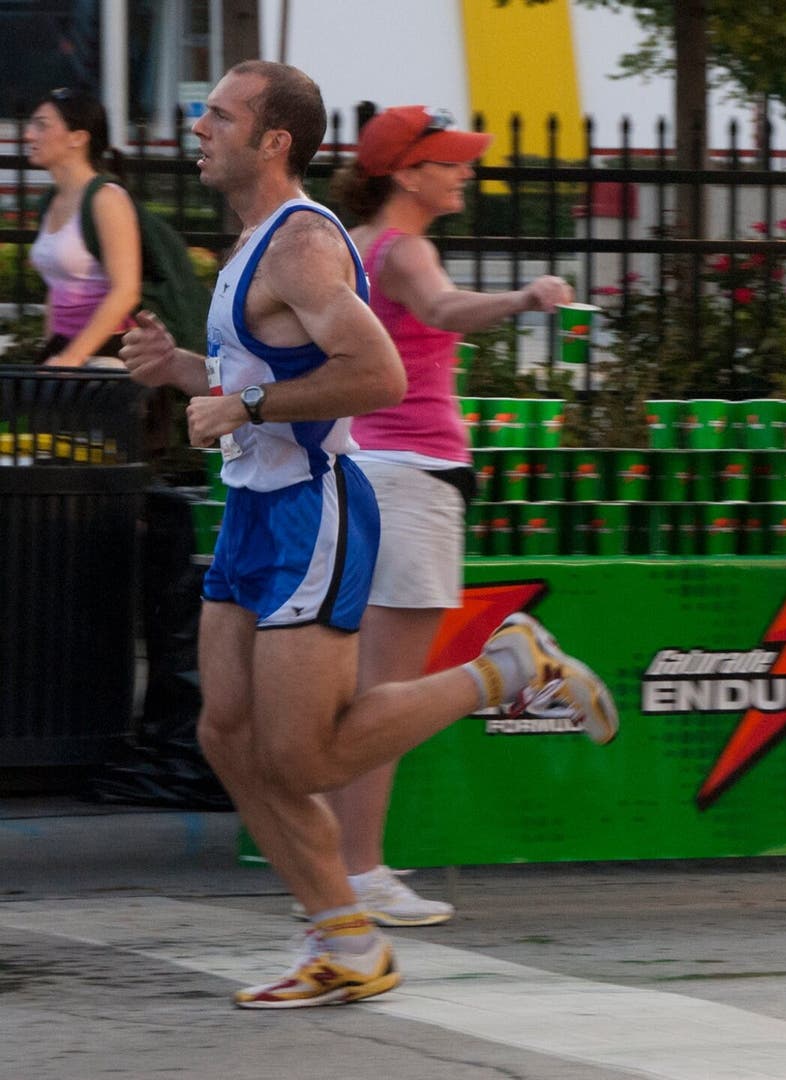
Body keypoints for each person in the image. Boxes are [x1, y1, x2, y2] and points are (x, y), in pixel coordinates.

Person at [120, 60, 617, 1009]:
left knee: (303, 757)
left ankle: (512, 668)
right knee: (226, 734)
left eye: (217, 116)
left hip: (315, 510)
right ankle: (346, 942)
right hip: (254, 514)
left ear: (272, 141)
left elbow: (379, 376)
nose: (199, 128)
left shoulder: (303, 244)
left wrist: (246, 402)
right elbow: (245, 380)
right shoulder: (252, 243)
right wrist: (178, 365)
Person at [302, 106, 575, 927]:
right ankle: (361, 872)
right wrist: (528, 296)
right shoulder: (405, 249)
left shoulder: (350, 245)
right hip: (414, 476)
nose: (464, 173)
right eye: (449, 162)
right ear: (404, 173)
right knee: (386, 693)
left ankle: (341, 872)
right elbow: (446, 309)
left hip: (365, 472)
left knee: (362, 688)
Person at [25, 87, 141, 366]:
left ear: (78, 138)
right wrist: (52, 350)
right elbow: (57, 286)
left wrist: (73, 358)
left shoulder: (107, 199)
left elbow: (127, 290)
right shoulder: (51, 201)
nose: (29, 134)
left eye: (42, 125)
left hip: (110, 355)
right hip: (65, 351)